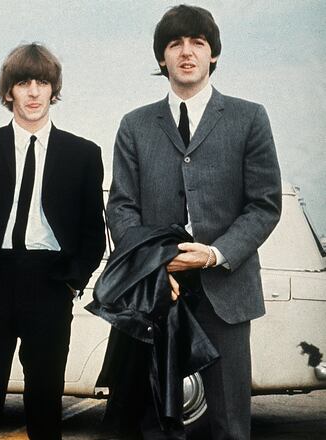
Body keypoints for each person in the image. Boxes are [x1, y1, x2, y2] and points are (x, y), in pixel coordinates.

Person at [106, 5, 281, 439]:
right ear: (162, 57)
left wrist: (215, 254)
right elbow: (121, 207)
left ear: (213, 54)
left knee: (228, 424)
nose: (186, 52)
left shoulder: (249, 118)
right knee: (152, 422)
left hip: (227, 289)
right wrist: (153, 266)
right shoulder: (134, 125)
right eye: (175, 44)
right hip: (158, 291)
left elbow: (264, 205)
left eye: (198, 43)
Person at [0, 43, 106, 439]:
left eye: (42, 82)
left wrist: (73, 281)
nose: (33, 92)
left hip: (50, 282)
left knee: (45, 406)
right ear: (9, 91)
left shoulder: (83, 154)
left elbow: (93, 234)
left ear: (53, 90)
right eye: (23, 83)